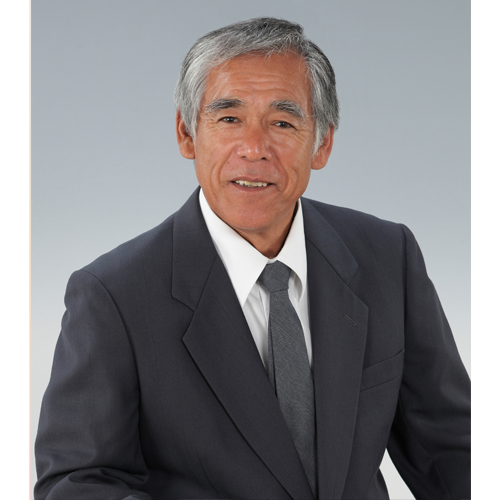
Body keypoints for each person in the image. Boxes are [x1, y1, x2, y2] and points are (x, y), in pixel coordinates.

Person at [34, 17, 471, 500]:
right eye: (228, 119)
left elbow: (458, 452)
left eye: (282, 122)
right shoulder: (114, 296)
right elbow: (76, 484)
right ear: (186, 133)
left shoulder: (388, 257)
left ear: (322, 143)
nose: (254, 149)